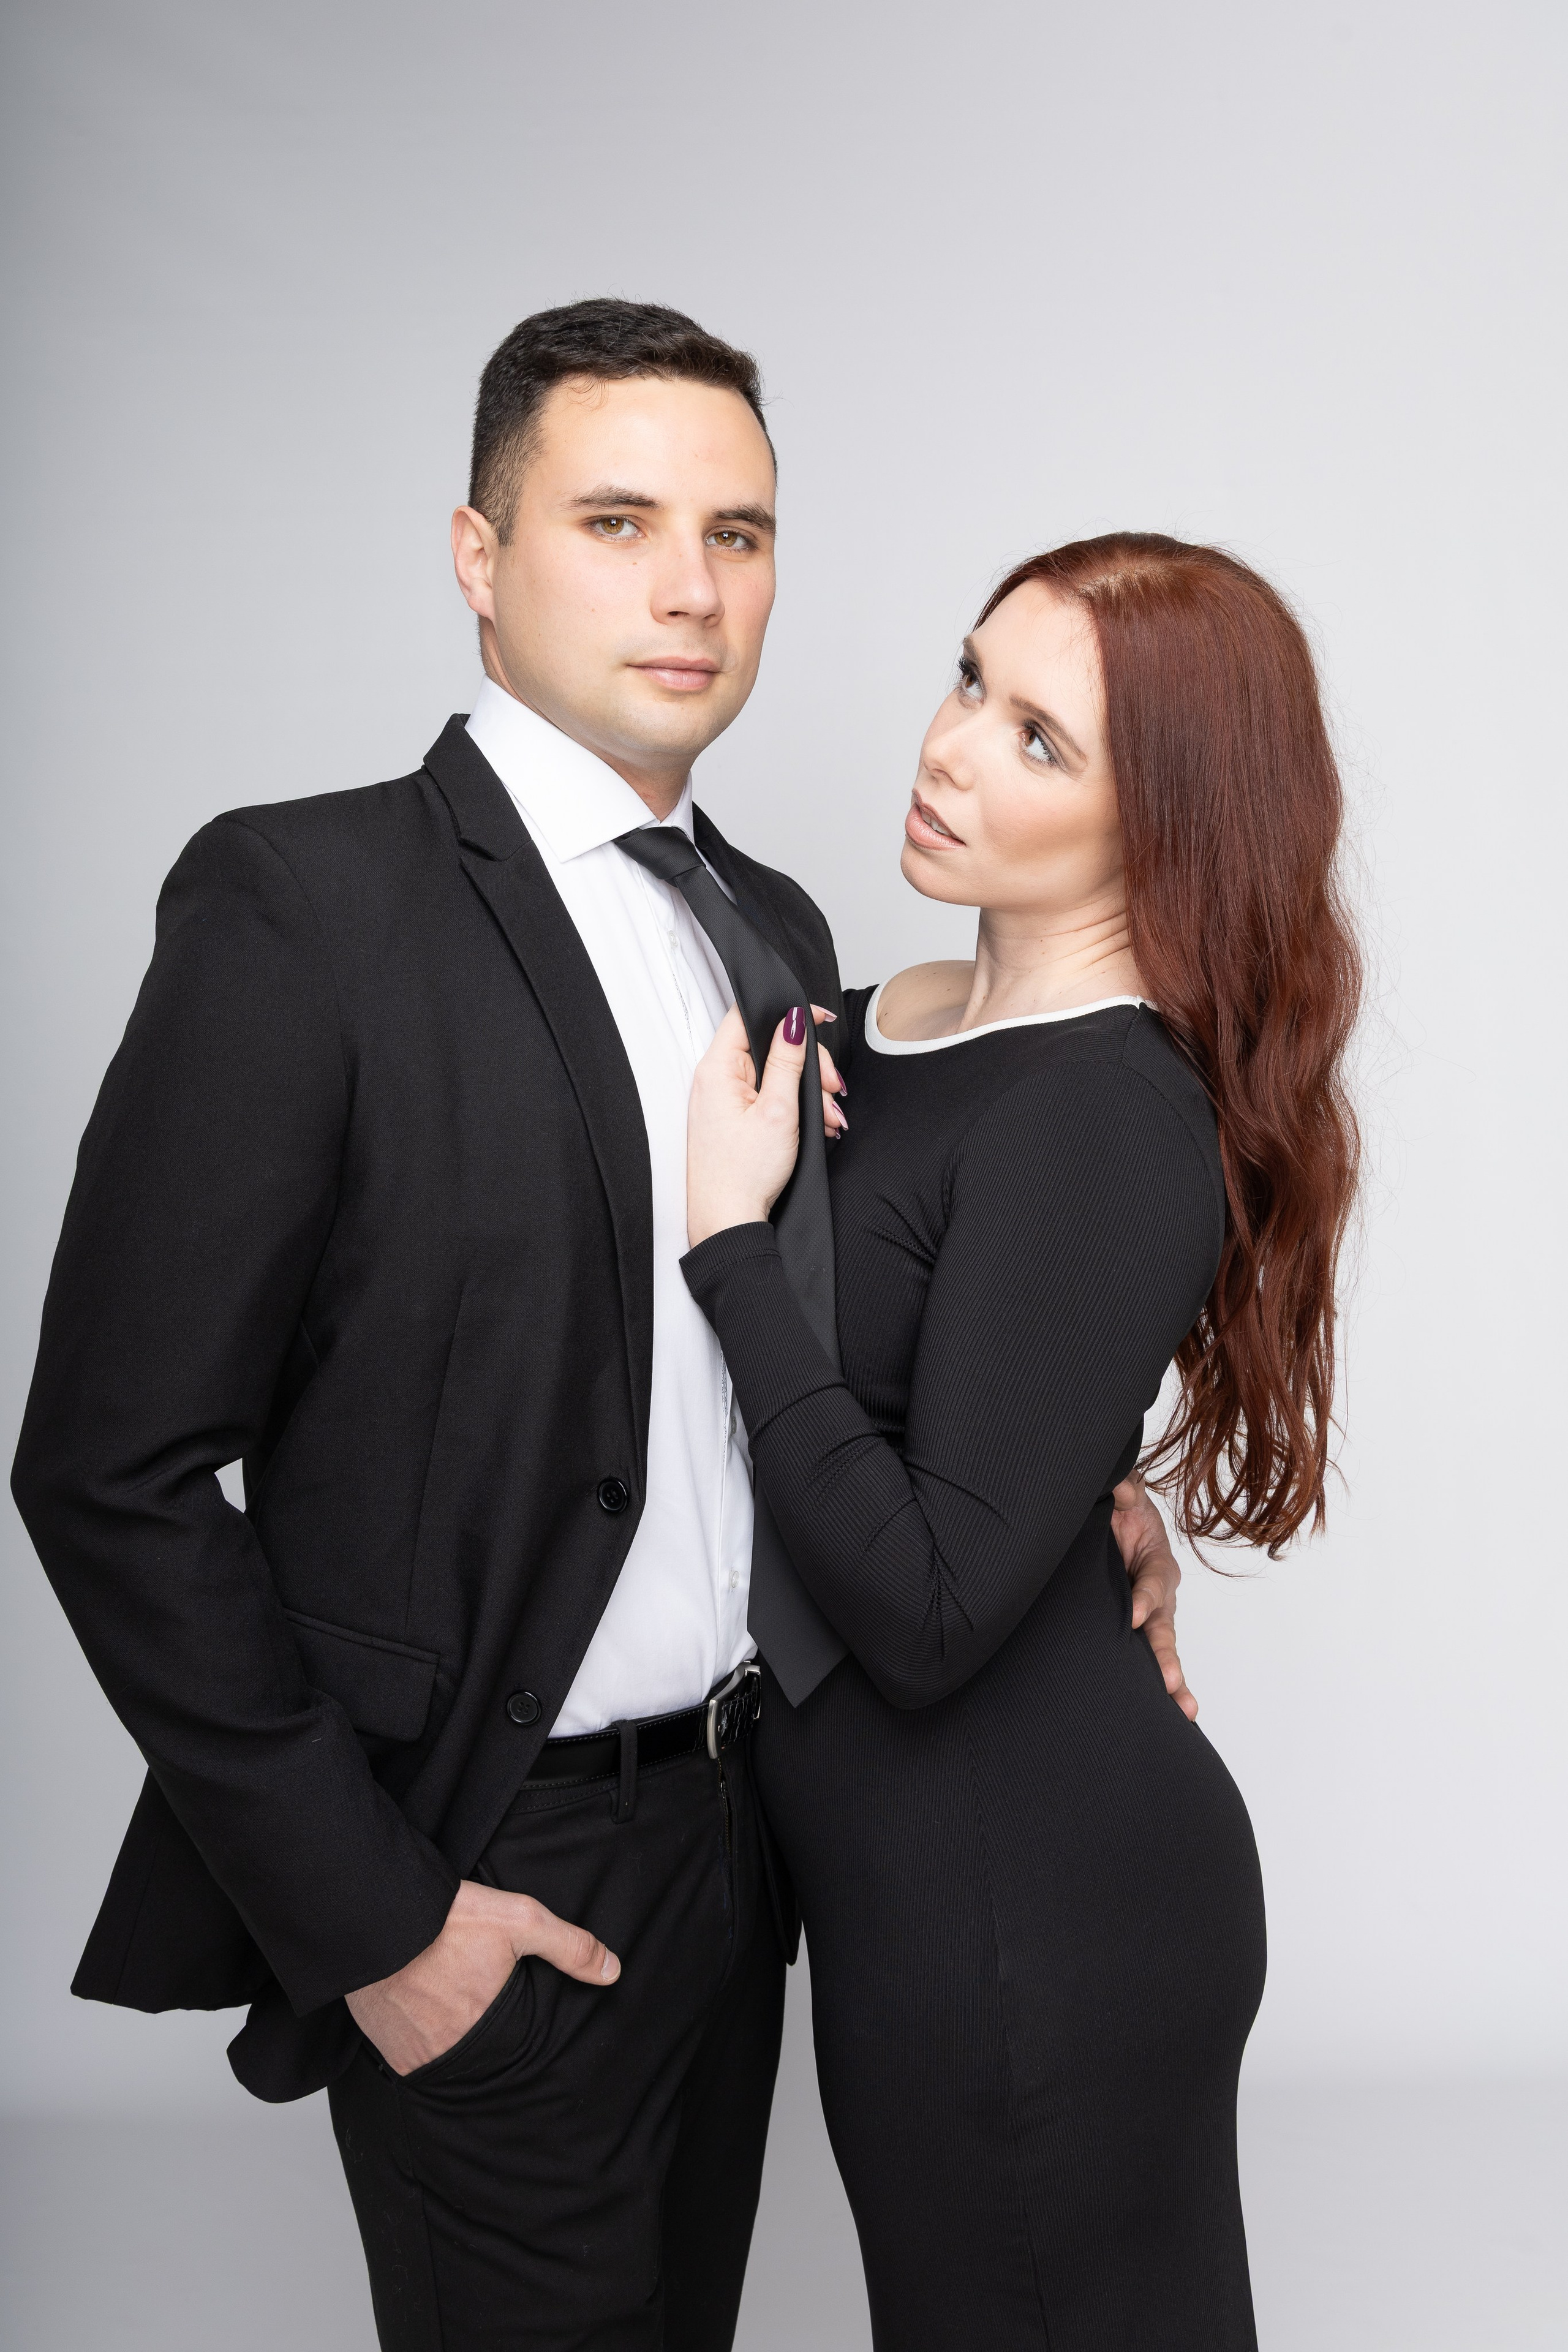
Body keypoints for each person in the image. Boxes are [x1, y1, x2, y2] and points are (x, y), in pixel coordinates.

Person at [9, 307, 1190, 2351]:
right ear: (478, 554)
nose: (689, 588)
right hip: (485, 1855)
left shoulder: (785, 931)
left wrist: (1086, 1478)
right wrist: (375, 1921)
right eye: (619, 520)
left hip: (755, 1847)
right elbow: (103, 1471)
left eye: (739, 532)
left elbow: (861, 1330)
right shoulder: (305, 909)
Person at [679, 534, 1362, 2350]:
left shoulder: (1106, 1110)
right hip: (921, 1888)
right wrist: (1081, 1480)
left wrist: (736, 1247)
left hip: (1032, 1920)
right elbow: (963, 1400)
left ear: (1171, 828)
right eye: (973, 678)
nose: (953, 748)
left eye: (1041, 740)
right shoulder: (873, 1024)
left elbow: (921, 1612)